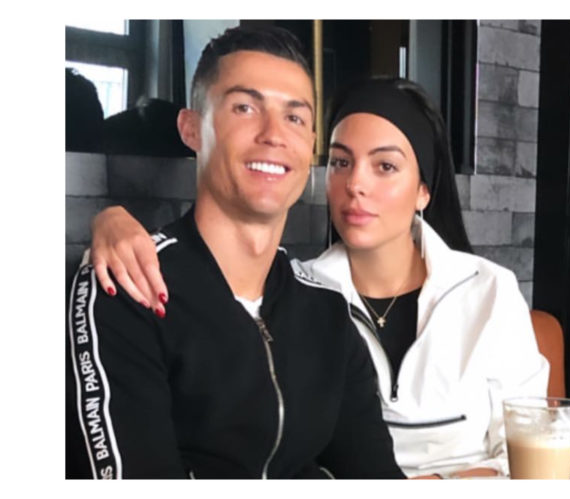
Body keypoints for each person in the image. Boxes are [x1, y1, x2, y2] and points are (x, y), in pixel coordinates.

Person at [88, 77, 549, 478]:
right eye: (341, 162)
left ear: (423, 191)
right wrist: (109, 223)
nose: (356, 185)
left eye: (385, 166)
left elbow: (532, 453)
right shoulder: (304, 297)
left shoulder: (490, 291)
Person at [66, 26, 403, 479]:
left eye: (295, 118)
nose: (274, 134)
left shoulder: (327, 311)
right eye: (245, 107)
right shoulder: (127, 287)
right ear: (191, 129)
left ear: (310, 145)